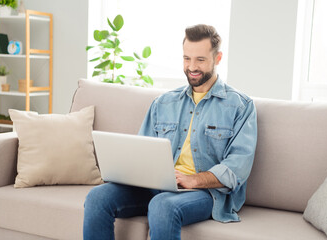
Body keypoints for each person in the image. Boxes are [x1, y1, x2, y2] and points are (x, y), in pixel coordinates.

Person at [83, 24, 257, 240]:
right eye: (187, 59)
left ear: (218, 58)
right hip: (157, 185)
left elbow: (238, 167)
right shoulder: (164, 102)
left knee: (162, 206)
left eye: (200, 60)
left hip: (205, 193)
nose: (192, 66)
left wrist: (194, 180)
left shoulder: (241, 106)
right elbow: (141, 150)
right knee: (97, 198)